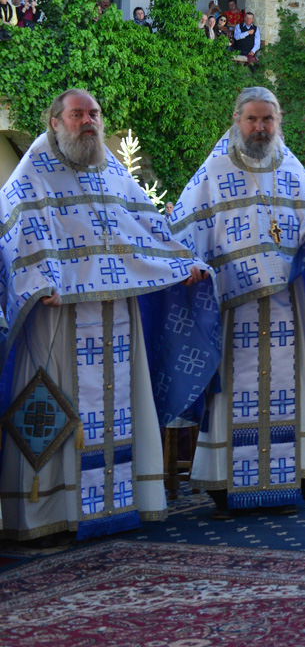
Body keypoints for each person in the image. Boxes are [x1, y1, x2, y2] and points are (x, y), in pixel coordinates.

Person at [0, 90, 217, 543]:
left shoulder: (113, 173)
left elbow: (148, 230)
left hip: (116, 313)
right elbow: (16, 233)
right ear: (55, 122)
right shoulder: (32, 173)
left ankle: (123, 501)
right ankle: (50, 512)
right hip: (57, 318)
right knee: (53, 402)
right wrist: (40, 281)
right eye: (77, 114)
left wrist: (182, 265)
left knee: (121, 404)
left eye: (94, 114)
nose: (88, 122)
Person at [169, 87, 305, 517]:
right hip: (232, 309)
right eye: (253, 120)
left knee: (286, 392)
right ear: (237, 120)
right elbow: (182, 233)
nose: (260, 129)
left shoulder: (293, 171)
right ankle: (226, 482)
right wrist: (189, 266)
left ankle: (289, 476)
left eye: (268, 120)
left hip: (284, 308)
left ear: (278, 122)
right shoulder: (213, 172)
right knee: (234, 394)